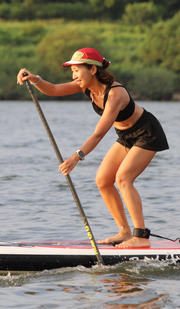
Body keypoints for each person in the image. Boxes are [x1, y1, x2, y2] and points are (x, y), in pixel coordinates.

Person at [17, 48, 169, 249]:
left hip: (147, 133)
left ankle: (140, 236)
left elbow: (98, 134)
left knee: (123, 178)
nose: (74, 76)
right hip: (125, 136)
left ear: (93, 70)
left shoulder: (115, 94)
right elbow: (53, 90)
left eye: (77, 70)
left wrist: (75, 157)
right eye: (72, 72)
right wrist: (35, 79)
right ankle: (124, 232)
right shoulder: (85, 86)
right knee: (103, 180)